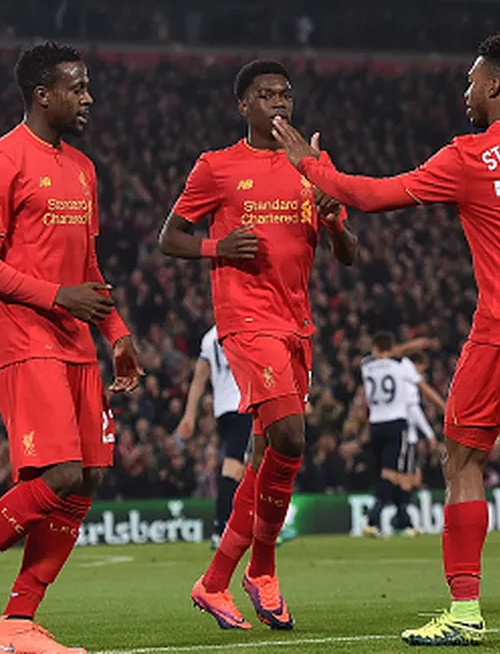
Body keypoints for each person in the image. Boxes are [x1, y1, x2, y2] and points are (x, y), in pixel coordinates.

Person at [273, 33, 500, 645]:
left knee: (463, 459)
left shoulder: (469, 155)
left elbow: (375, 195)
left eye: (472, 80)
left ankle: (465, 610)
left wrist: (311, 166)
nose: (466, 91)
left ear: (494, 85)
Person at [0, 41, 142, 654]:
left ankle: (17, 624)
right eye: (78, 87)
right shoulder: (0, 163)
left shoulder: (84, 169)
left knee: (88, 477)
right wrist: (58, 297)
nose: (89, 97)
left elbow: (88, 266)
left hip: (75, 341)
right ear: (43, 95)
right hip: (22, 336)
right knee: (60, 472)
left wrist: (117, 333)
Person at [158, 59, 359, 631]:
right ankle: (262, 569)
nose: (279, 102)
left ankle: (218, 580)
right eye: (266, 94)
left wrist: (335, 222)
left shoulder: (312, 165)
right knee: (291, 437)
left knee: (267, 454)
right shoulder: (216, 167)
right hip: (247, 322)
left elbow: (348, 256)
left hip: (298, 326)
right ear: (242, 105)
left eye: (285, 94)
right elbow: (170, 237)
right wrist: (216, 249)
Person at [360, 333, 446, 538]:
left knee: (390, 475)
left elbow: (383, 355)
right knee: (393, 475)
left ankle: (403, 521)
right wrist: (445, 408)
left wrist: (408, 346)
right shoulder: (402, 365)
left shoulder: (367, 365)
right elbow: (425, 390)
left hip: (375, 425)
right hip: (396, 424)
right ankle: (373, 519)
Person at [177, 323, 252, 549]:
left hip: (223, 411)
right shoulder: (246, 328)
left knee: (245, 467)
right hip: (243, 405)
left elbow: (199, 379)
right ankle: (222, 528)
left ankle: (248, 527)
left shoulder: (210, 337)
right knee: (235, 467)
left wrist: (189, 415)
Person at [396, 351, 446, 535]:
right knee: (406, 479)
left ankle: (402, 517)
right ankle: (403, 521)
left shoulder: (400, 377)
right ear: (416, 365)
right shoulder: (408, 381)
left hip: (405, 436)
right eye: (422, 370)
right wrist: (430, 434)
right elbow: (413, 410)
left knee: (412, 478)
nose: (421, 375)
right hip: (406, 437)